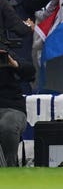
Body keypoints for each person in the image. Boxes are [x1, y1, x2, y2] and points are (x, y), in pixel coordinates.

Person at [0, 33, 35, 166]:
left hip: (12, 109)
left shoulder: (4, 54)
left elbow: (30, 72)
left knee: (7, 125)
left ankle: (9, 171)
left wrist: (14, 64)